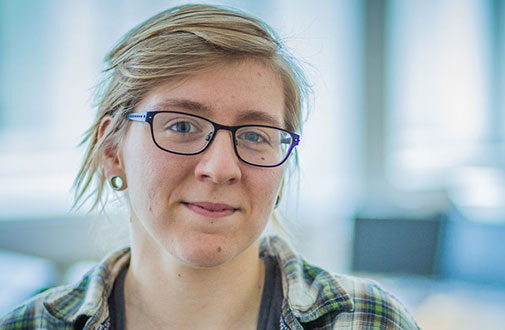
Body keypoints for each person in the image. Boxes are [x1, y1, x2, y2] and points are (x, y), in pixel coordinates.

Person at [0, 4, 419, 330]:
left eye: (255, 135)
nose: (221, 169)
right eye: (181, 126)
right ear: (113, 150)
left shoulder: (367, 320)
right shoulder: (33, 324)